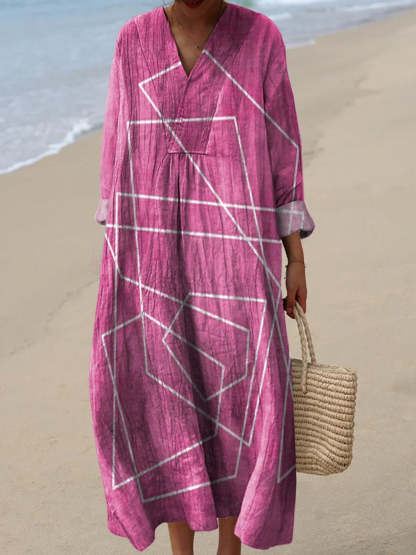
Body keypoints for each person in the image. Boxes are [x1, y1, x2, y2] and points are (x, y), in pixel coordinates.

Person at [90, 1, 316, 554]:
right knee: (166, 397)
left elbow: (282, 150)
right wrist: (120, 265)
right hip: (152, 256)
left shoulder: (260, 37)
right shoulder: (133, 41)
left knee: (239, 396)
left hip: (237, 261)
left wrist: (296, 258)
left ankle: (230, 551)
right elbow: (117, 156)